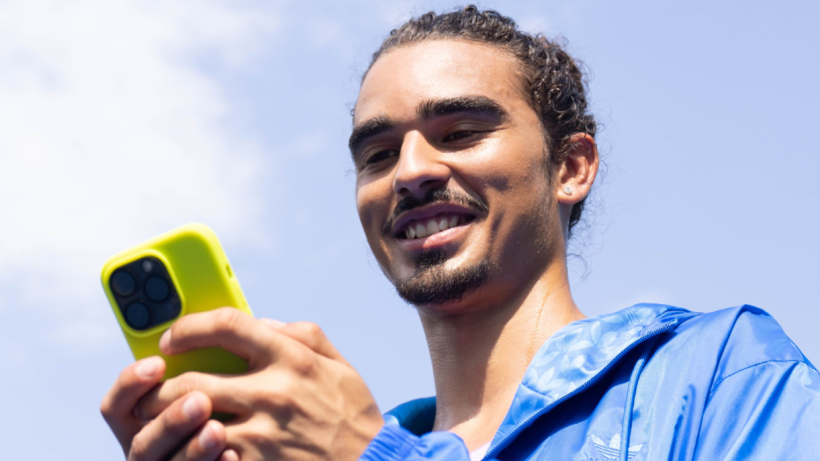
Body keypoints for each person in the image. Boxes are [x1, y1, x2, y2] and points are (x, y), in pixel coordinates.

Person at [100, 6, 820, 461]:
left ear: (571, 167)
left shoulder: (719, 371)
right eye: (378, 154)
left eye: (462, 132)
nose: (411, 169)